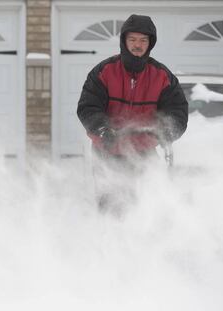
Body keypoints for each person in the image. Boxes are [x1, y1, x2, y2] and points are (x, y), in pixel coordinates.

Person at [77, 14, 188, 214]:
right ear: (124, 41)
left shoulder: (162, 76)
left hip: (144, 152)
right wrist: (102, 129)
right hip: (107, 150)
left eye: (143, 40)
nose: (138, 45)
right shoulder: (104, 71)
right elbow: (88, 107)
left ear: (150, 43)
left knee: (147, 203)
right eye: (133, 39)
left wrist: (167, 132)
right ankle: (110, 239)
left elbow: (177, 111)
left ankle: (144, 241)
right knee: (111, 203)